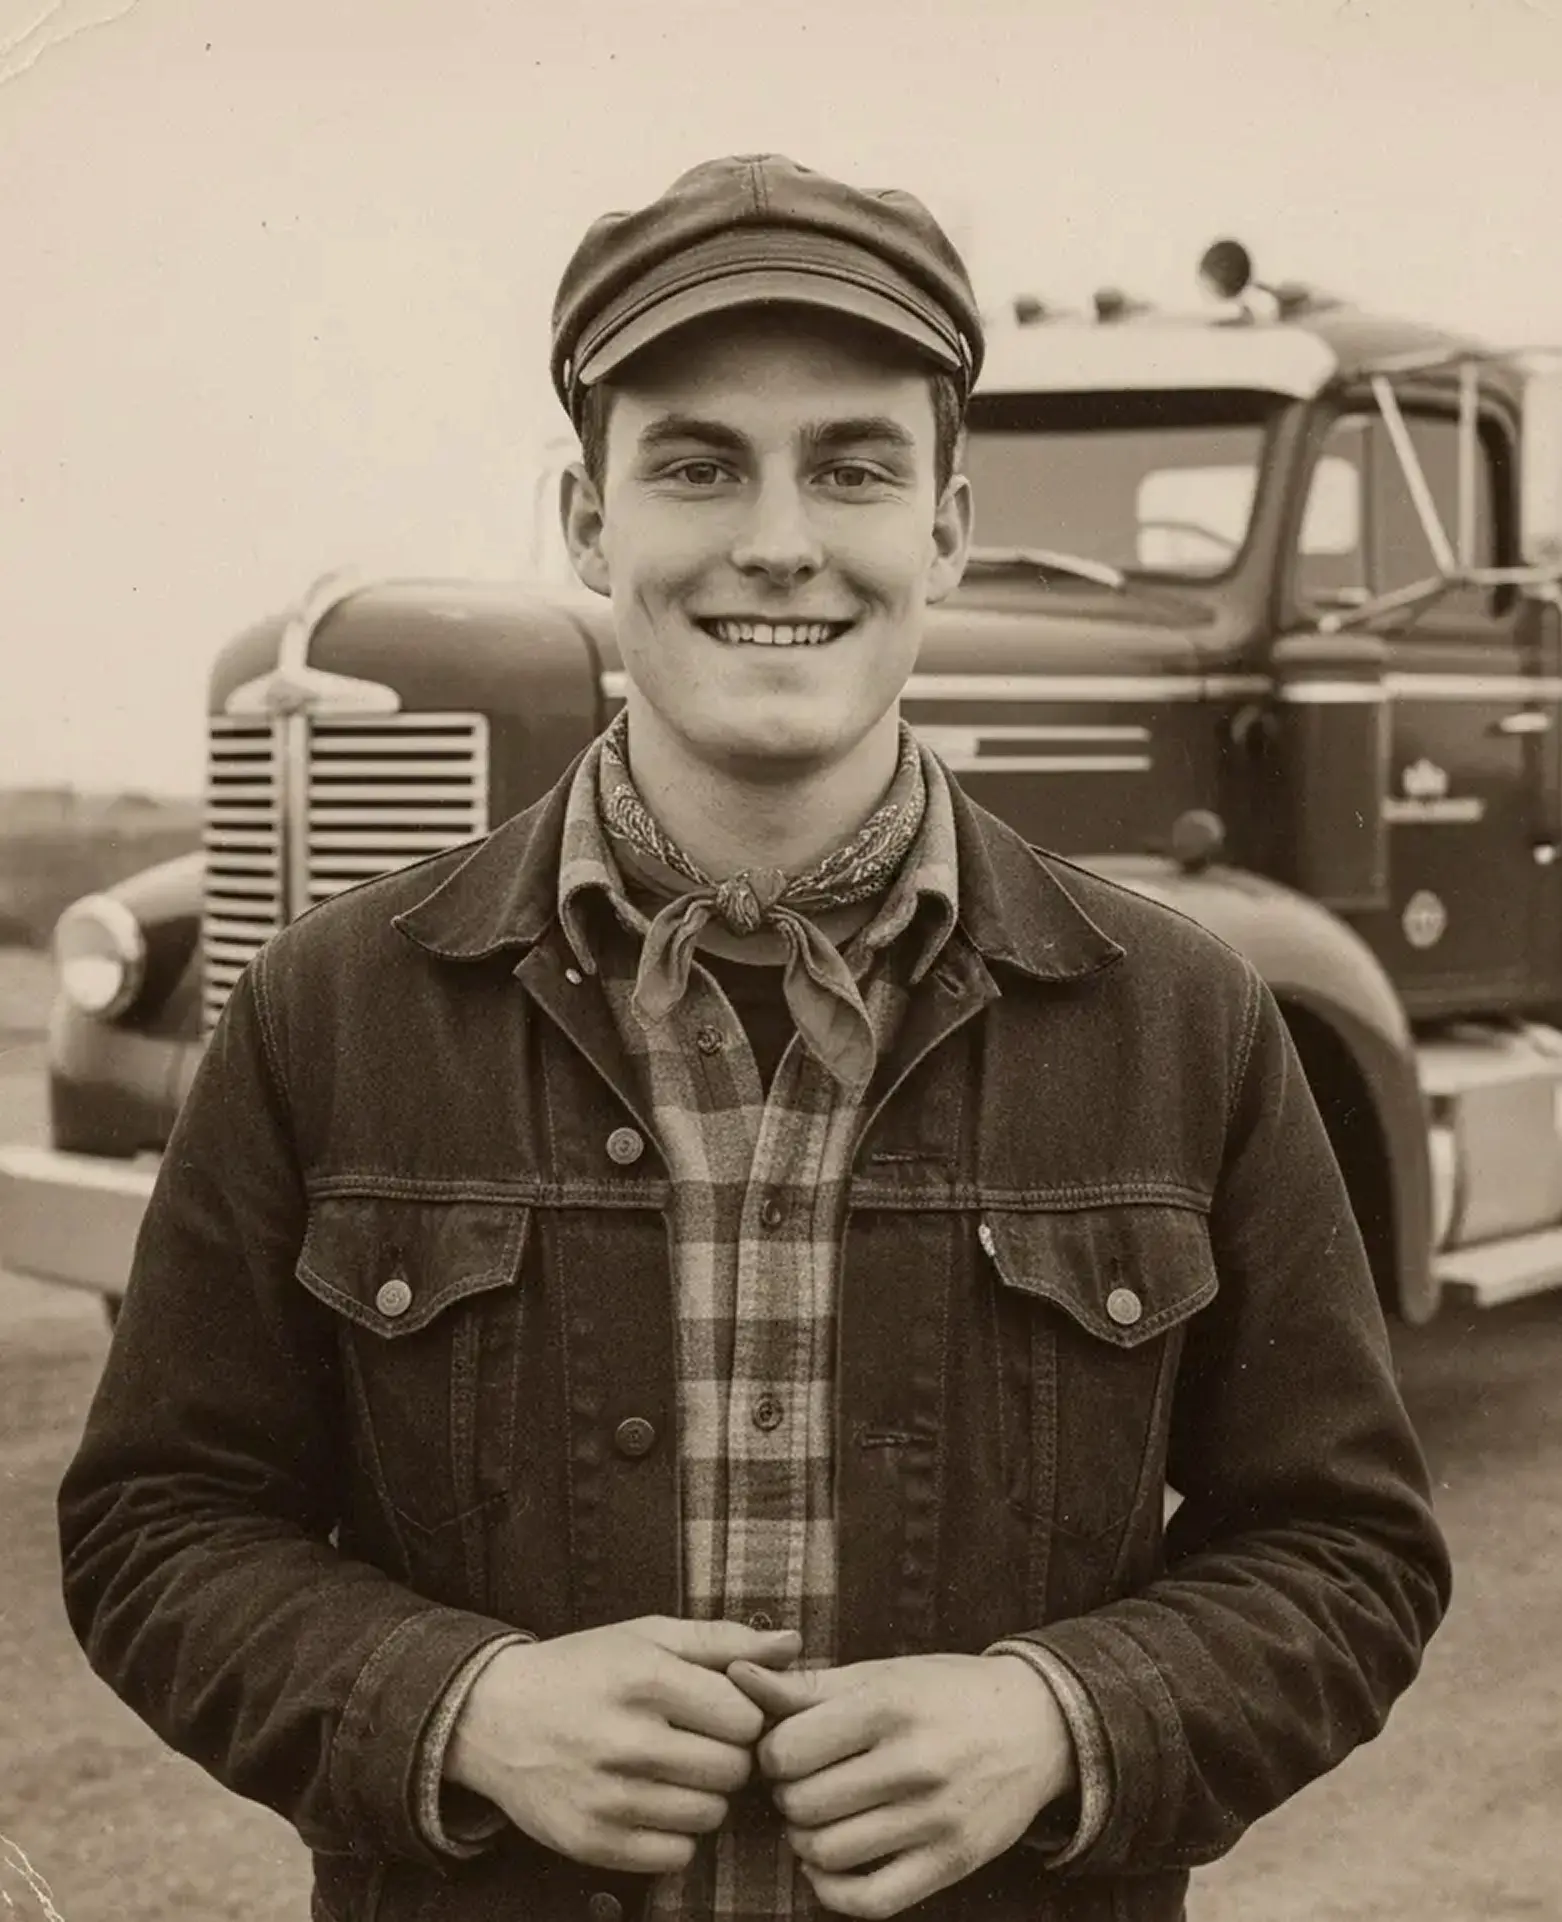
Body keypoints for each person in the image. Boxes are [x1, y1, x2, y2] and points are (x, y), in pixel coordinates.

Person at [58, 154, 1451, 1922]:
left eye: (853, 466)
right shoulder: (322, 1008)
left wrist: (1060, 1715)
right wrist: (461, 1707)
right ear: (586, 521)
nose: (777, 537)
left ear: (946, 521)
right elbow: (153, 1525)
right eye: (698, 463)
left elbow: (1349, 1550)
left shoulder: (1185, 1016)